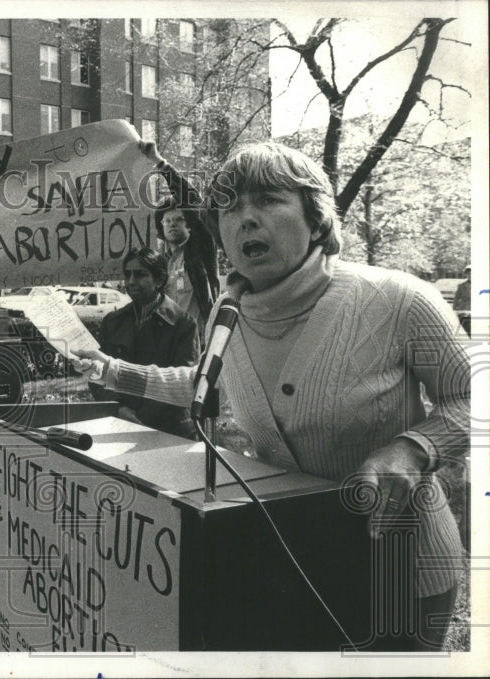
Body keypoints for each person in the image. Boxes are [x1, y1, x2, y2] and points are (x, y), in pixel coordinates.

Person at [74, 141, 469, 651]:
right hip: (291, 561)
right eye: (230, 207)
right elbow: (202, 383)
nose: (246, 220)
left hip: (401, 569)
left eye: (267, 200)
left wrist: (414, 449)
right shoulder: (225, 311)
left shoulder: (398, 299)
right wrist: (112, 372)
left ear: (318, 217)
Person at [89, 247, 199, 438]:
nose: (131, 281)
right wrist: (119, 409)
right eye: (127, 275)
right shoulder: (112, 321)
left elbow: (182, 384)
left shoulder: (184, 325)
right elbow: (97, 373)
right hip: (120, 425)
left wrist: (140, 419)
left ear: (159, 280)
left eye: (140, 275)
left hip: (169, 431)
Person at [148, 145, 220, 330]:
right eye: (168, 220)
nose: (172, 223)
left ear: (190, 224)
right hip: (169, 346)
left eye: (179, 219)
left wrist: (160, 162)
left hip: (201, 343)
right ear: (161, 226)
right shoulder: (159, 263)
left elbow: (193, 202)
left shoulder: (200, 251)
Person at [453, 265, 471, 336]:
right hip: (465, 309)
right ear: (466, 275)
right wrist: (454, 310)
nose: (470, 275)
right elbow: (456, 298)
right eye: (468, 274)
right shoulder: (462, 286)